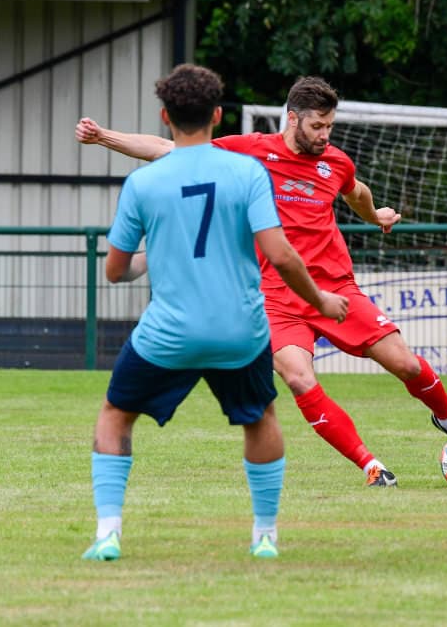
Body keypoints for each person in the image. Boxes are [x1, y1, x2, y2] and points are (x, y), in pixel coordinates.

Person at [76, 76, 447, 489]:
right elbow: (169, 149)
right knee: (299, 378)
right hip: (275, 298)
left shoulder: (336, 162)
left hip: (336, 289)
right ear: (292, 119)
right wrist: (103, 137)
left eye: (330, 126)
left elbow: (357, 192)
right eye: (317, 126)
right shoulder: (251, 151)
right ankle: (372, 467)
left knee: (405, 364)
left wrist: (375, 215)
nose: (325, 135)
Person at [82, 64, 349, 562]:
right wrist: (321, 301)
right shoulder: (247, 173)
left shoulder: (144, 183)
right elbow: (281, 254)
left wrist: (150, 256)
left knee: (115, 416)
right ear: (218, 115)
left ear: (165, 117)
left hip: (170, 333)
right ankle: (265, 536)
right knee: (261, 417)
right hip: (239, 331)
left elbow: (116, 271)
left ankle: (108, 534)